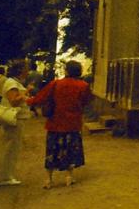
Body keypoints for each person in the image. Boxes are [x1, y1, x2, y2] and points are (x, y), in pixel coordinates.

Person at [27, 60, 92, 188]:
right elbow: (86, 101)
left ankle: (49, 179)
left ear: (66, 71)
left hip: (55, 122)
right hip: (73, 122)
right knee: (70, 150)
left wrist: (28, 100)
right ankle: (69, 177)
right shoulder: (83, 85)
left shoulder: (56, 84)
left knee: (52, 150)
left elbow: (40, 98)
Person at [0, 60, 30, 186]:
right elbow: (14, 101)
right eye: (26, 68)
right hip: (15, 119)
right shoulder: (12, 83)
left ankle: (7, 174)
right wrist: (25, 93)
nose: (28, 71)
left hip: (17, 119)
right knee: (10, 148)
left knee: (12, 147)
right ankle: (5, 176)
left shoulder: (14, 82)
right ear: (20, 70)